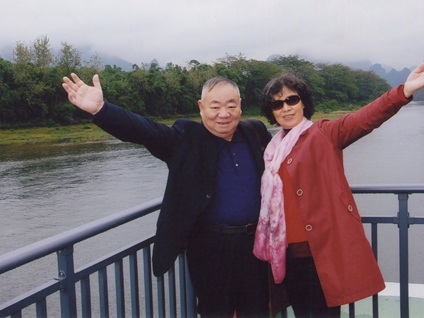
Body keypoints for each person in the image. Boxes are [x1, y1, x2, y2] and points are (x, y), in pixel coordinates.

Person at [62, 74, 272, 318]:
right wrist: (101, 109)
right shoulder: (185, 138)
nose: (223, 114)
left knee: (257, 308)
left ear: (240, 106)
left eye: (231, 105)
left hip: (256, 243)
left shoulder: (254, 131)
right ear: (201, 107)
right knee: (216, 311)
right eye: (215, 107)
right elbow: (144, 130)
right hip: (211, 247)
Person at [253, 60, 424, 317]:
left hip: (321, 256)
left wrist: (404, 92)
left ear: (303, 103)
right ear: (272, 112)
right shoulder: (271, 151)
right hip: (286, 257)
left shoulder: (324, 133)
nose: (286, 107)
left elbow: (364, 119)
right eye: (278, 104)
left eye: (292, 100)